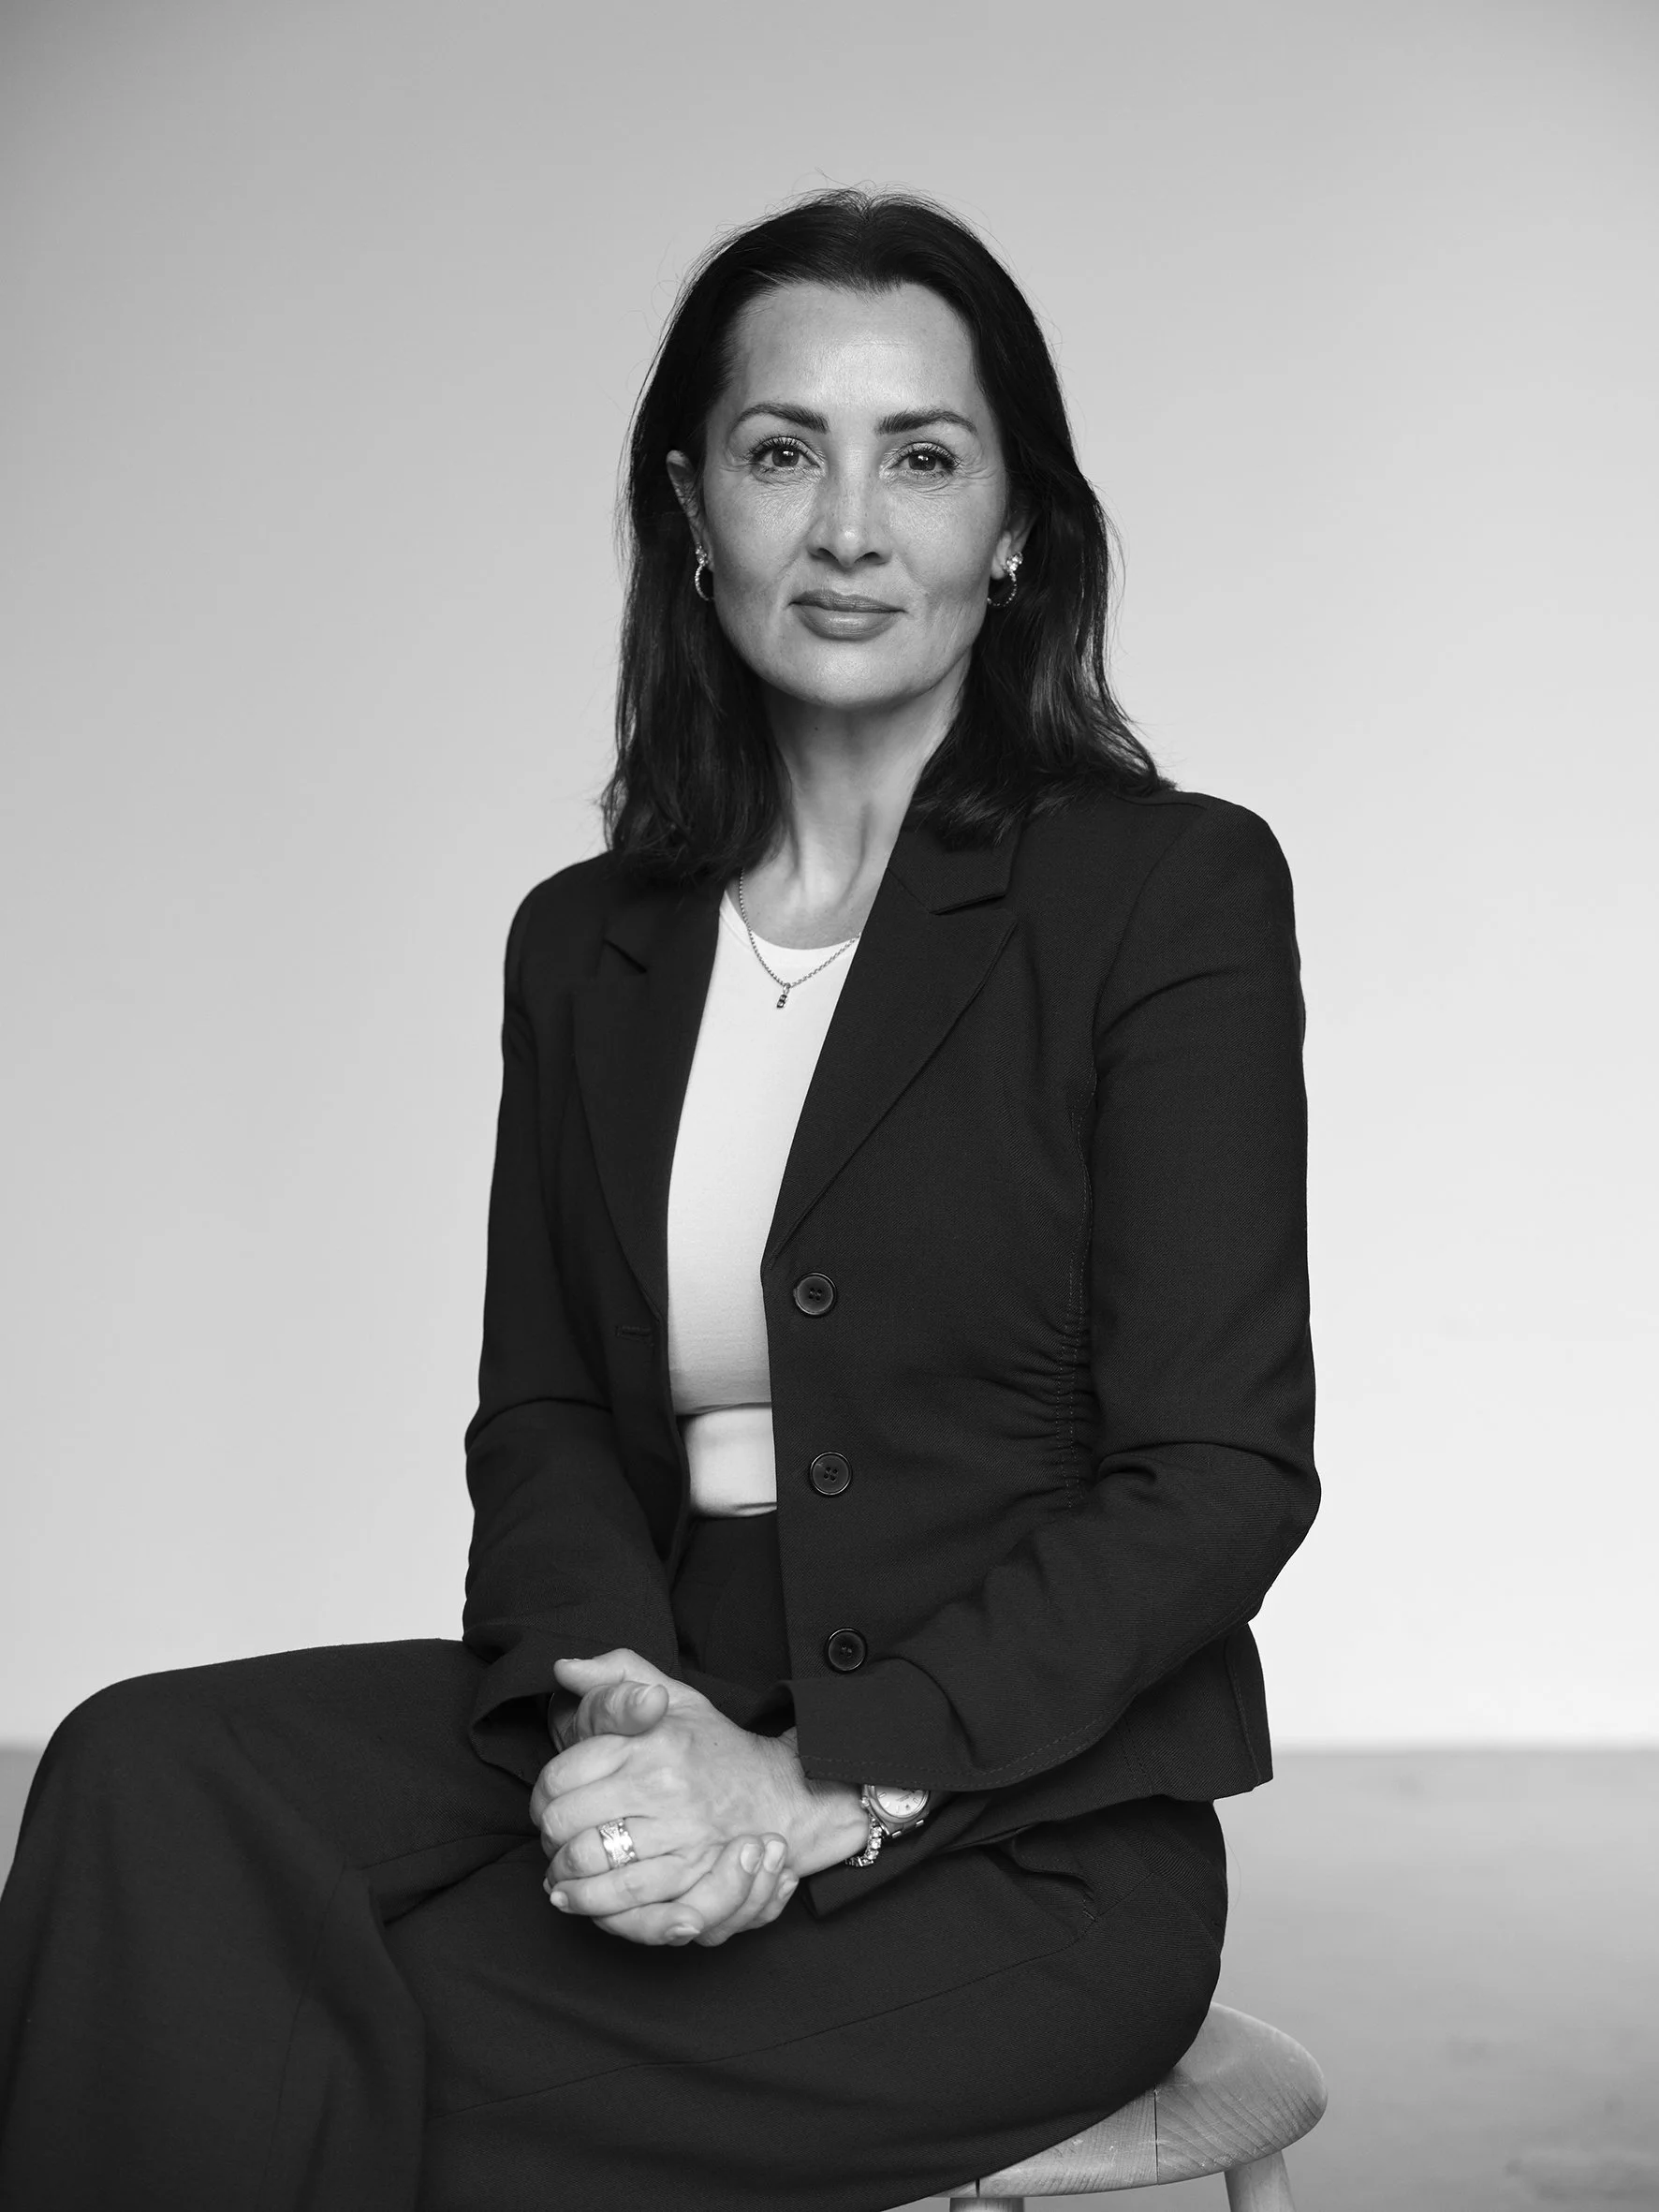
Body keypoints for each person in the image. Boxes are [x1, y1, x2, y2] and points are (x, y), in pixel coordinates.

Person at [0, 188, 1318, 2212]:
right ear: (692, 503)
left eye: (924, 456)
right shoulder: (588, 941)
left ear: (1018, 522)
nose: (851, 526)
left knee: (308, 2011)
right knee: (139, 1782)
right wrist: (625, 1700)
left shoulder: (1166, 890)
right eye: (785, 450)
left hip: (1013, 1818)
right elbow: (538, 1413)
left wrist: (800, 1783)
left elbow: (1217, 1472)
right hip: (662, 1691)